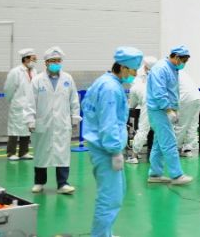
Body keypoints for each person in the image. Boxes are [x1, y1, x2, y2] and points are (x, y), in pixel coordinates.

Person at [82, 47, 143, 237]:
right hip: (106, 150)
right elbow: (109, 123)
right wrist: (115, 150)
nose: (135, 74)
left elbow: (87, 107)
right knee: (109, 198)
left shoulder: (103, 81)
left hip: (100, 146)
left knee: (115, 193)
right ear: (123, 68)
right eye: (133, 70)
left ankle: (105, 233)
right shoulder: (111, 89)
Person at [25, 46, 80, 194]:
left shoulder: (67, 79)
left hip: (62, 123)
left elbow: (74, 99)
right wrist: (30, 120)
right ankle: (39, 182)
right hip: (43, 123)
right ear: (46, 63)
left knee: (62, 153)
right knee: (41, 153)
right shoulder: (37, 80)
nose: (56, 63)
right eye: (52, 61)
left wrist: (75, 117)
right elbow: (30, 102)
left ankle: (63, 184)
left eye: (58, 61)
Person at [146, 45, 192, 185]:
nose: (183, 64)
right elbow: (159, 92)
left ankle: (155, 174)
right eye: (183, 61)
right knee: (169, 143)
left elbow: (172, 91)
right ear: (176, 57)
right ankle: (176, 175)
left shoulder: (172, 69)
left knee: (159, 144)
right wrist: (168, 110)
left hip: (164, 110)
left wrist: (174, 109)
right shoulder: (161, 68)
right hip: (159, 110)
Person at [3, 48, 37, 161]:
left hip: (30, 106)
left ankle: (24, 152)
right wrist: (12, 101)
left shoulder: (34, 71)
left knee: (27, 129)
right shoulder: (15, 72)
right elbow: (8, 88)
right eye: (33, 59)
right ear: (26, 59)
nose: (34, 61)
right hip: (18, 105)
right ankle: (11, 153)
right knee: (14, 130)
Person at [126, 56, 157, 164]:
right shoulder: (150, 79)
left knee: (143, 130)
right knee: (162, 130)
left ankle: (134, 156)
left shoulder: (135, 87)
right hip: (160, 104)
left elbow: (132, 105)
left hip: (148, 105)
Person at [175, 68, 200, 158]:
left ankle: (175, 149)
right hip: (196, 98)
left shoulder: (170, 72)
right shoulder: (181, 72)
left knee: (181, 125)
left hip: (186, 98)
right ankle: (188, 149)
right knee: (192, 124)